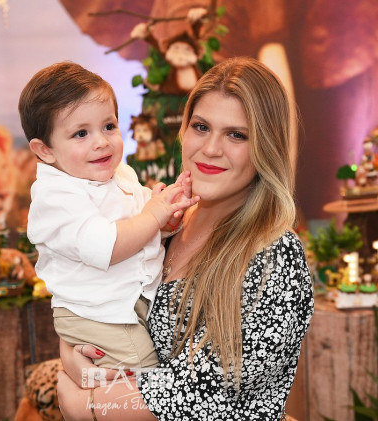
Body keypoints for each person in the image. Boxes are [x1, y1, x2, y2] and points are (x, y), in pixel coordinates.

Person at [56, 56, 315, 420]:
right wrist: (73, 358)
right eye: (201, 127)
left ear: (265, 147)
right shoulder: (158, 225)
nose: (211, 149)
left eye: (237, 135)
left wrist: (92, 406)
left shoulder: (275, 253)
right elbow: (91, 305)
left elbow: (209, 388)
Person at [19, 62, 198, 370]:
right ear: (45, 150)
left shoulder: (121, 174)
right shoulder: (56, 197)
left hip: (125, 305)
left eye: (109, 127)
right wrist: (153, 215)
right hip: (97, 315)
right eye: (81, 133)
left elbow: (142, 226)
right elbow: (109, 246)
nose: (101, 142)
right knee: (141, 372)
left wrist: (166, 219)